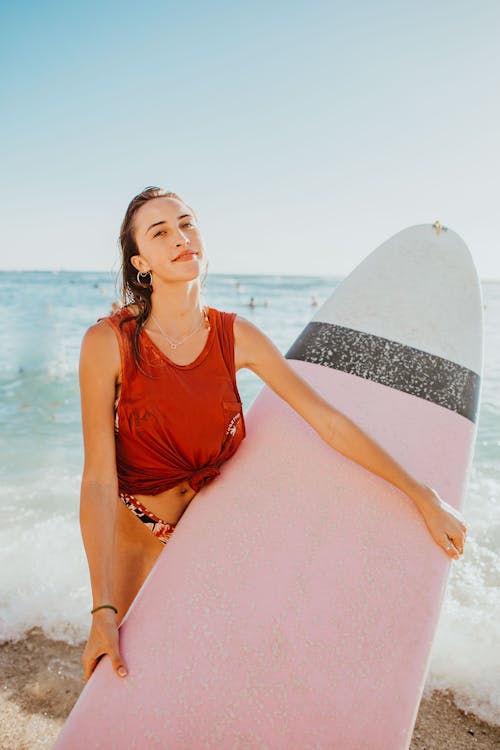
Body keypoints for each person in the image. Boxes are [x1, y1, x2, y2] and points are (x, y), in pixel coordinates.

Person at [79, 186, 467, 683]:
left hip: (209, 536)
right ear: (141, 263)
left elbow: (327, 422)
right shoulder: (107, 343)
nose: (180, 237)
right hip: (135, 534)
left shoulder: (236, 336)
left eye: (187, 223)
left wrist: (422, 495)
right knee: (110, 683)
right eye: (160, 232)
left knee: (203, 685)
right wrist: (102, 610)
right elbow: (96, 481)